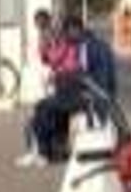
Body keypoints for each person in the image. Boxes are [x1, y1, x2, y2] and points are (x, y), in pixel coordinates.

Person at [16, 15, 107, 167]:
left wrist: (93, 95)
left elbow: (60, 61)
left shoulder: (89, 46)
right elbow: (52, 61)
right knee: (41, 109)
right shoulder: (75, 44)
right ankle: (39, 151)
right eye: (63, 31)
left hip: (83, 94)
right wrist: (57, 73)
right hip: (70, 90)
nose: (64, 34)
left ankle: (42, 153)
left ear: (77, 29)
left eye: (66, 31)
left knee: (44, 108)